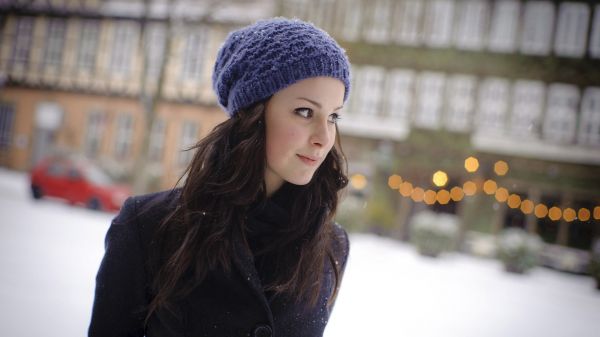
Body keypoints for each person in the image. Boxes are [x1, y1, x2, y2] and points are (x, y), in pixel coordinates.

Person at [89, 17, 351, 337]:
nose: (324, 138)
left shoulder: (330, 245)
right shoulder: (148, 227)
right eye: (305, 112)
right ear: (253, 114)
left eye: (334, 116)